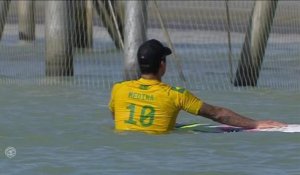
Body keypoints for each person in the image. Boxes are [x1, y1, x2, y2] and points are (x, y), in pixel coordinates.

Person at [108, 39, 286, 134]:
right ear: (162, 64)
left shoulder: (118, 89)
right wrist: (255, 123)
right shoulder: (175, 95)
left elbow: (117, 116)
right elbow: (217, 114)